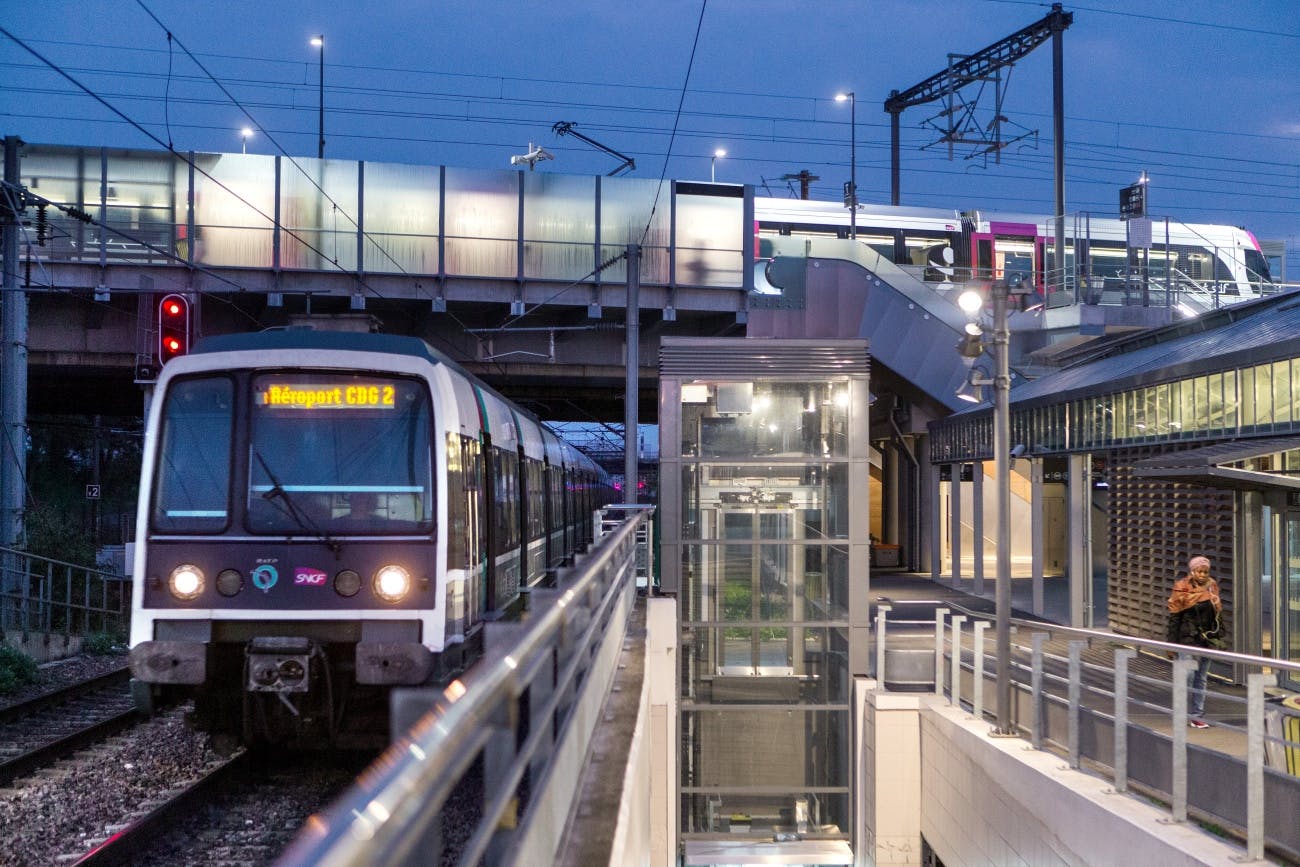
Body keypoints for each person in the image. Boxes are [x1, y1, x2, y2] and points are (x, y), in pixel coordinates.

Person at [1165, 555, 1224, 728]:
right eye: (1200, 571)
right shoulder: (1181, 587)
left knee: (1201, 677)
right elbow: (1174, 617)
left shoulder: (1212, 587)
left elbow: (1217, 615)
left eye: (1206, 571)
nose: (1203, 575)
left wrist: (1218, 634)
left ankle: (1198, 715)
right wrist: (1171, 644)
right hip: (1186, 638)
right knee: (1187, 676)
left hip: (1207, 638)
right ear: (1192, 571)